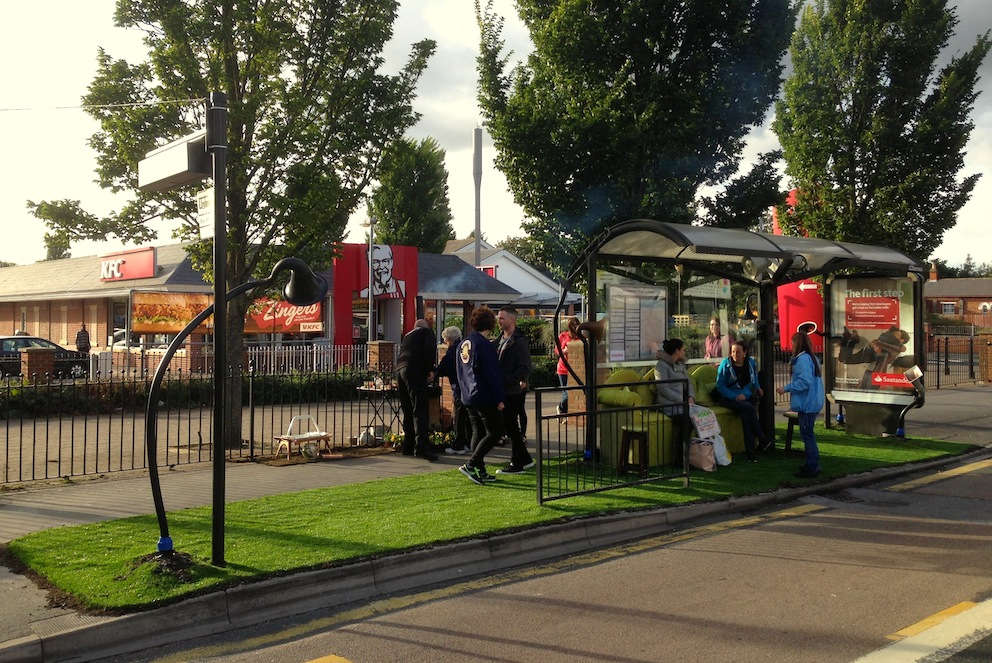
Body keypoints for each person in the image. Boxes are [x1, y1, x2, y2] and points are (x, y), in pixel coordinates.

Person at [456, 307, 506, 485]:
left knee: (478, 431)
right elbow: (491, 374)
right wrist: (499, 398)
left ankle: (480, 469)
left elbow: (460, 371)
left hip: (467, 395)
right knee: (496, 432)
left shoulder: (463, 344)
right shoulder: (485, 345)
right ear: (490, 324)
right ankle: (471, 465)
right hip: (483, 395)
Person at [777, 332, 825, 478]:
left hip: (807, 403)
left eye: (792, 343)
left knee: (807, 435)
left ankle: (812, 466)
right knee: (808, 434)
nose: (791, 346)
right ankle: (812, 464)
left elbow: (804, 382)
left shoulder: (802, 359)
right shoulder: (812, 358)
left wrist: (786, 388)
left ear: (797, 344)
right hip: (813, 402)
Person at [494, 306, 535, 474]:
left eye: (502, 318)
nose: (499, 320)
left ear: (512, 319)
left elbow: (525, 367)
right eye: (498, 317)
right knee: (510, 426)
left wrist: (510, 380)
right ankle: (525, 459)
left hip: (512, 391)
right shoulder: (499, 339)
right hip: (502, 390)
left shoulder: (519, 341)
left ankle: (516, 463)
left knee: (511, 426)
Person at [715, 340, 767, 461]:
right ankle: (762, 438)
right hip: (727, 398)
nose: (734, 354)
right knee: (749, 408)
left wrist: (756, 388)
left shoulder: (751, 363)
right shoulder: (725, 364)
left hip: (743, 398)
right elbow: (720, 386)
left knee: (746, 417)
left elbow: (753, 380)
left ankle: (751, 455)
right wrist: (735, 396)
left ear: (745, 352)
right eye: (733, 351)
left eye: (738, 352)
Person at [395, 319, 438, 461]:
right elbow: (429, 350)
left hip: (400, 370)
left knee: (407, 409)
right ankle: (422, 447)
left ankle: (408, 445)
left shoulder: (407, 336)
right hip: (414, 370)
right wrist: (429, 370)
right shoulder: (426, 332)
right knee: (420, 409)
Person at [436, 325, 472, 454]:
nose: (445, 342)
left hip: (458, 387)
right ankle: (468, 442)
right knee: (467, 416)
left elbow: (443, 368)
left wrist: (435, 373)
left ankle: (459, 445)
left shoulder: (452, 350)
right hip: (468, 387)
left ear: (449, 339)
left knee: (459, 416)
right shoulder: (464, 348)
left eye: (445, 340)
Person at [555, 317, 580, 415]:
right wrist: (564, 351)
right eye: (573, 325)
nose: (575, 327)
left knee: (572, 393)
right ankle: (562, 409)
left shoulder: (580, 337)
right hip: (563, 369)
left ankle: (564, 412)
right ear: (569, 326)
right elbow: (557, 350)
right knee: (566, 394)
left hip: (575, 369)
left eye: (577, 324)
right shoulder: (563, 336)